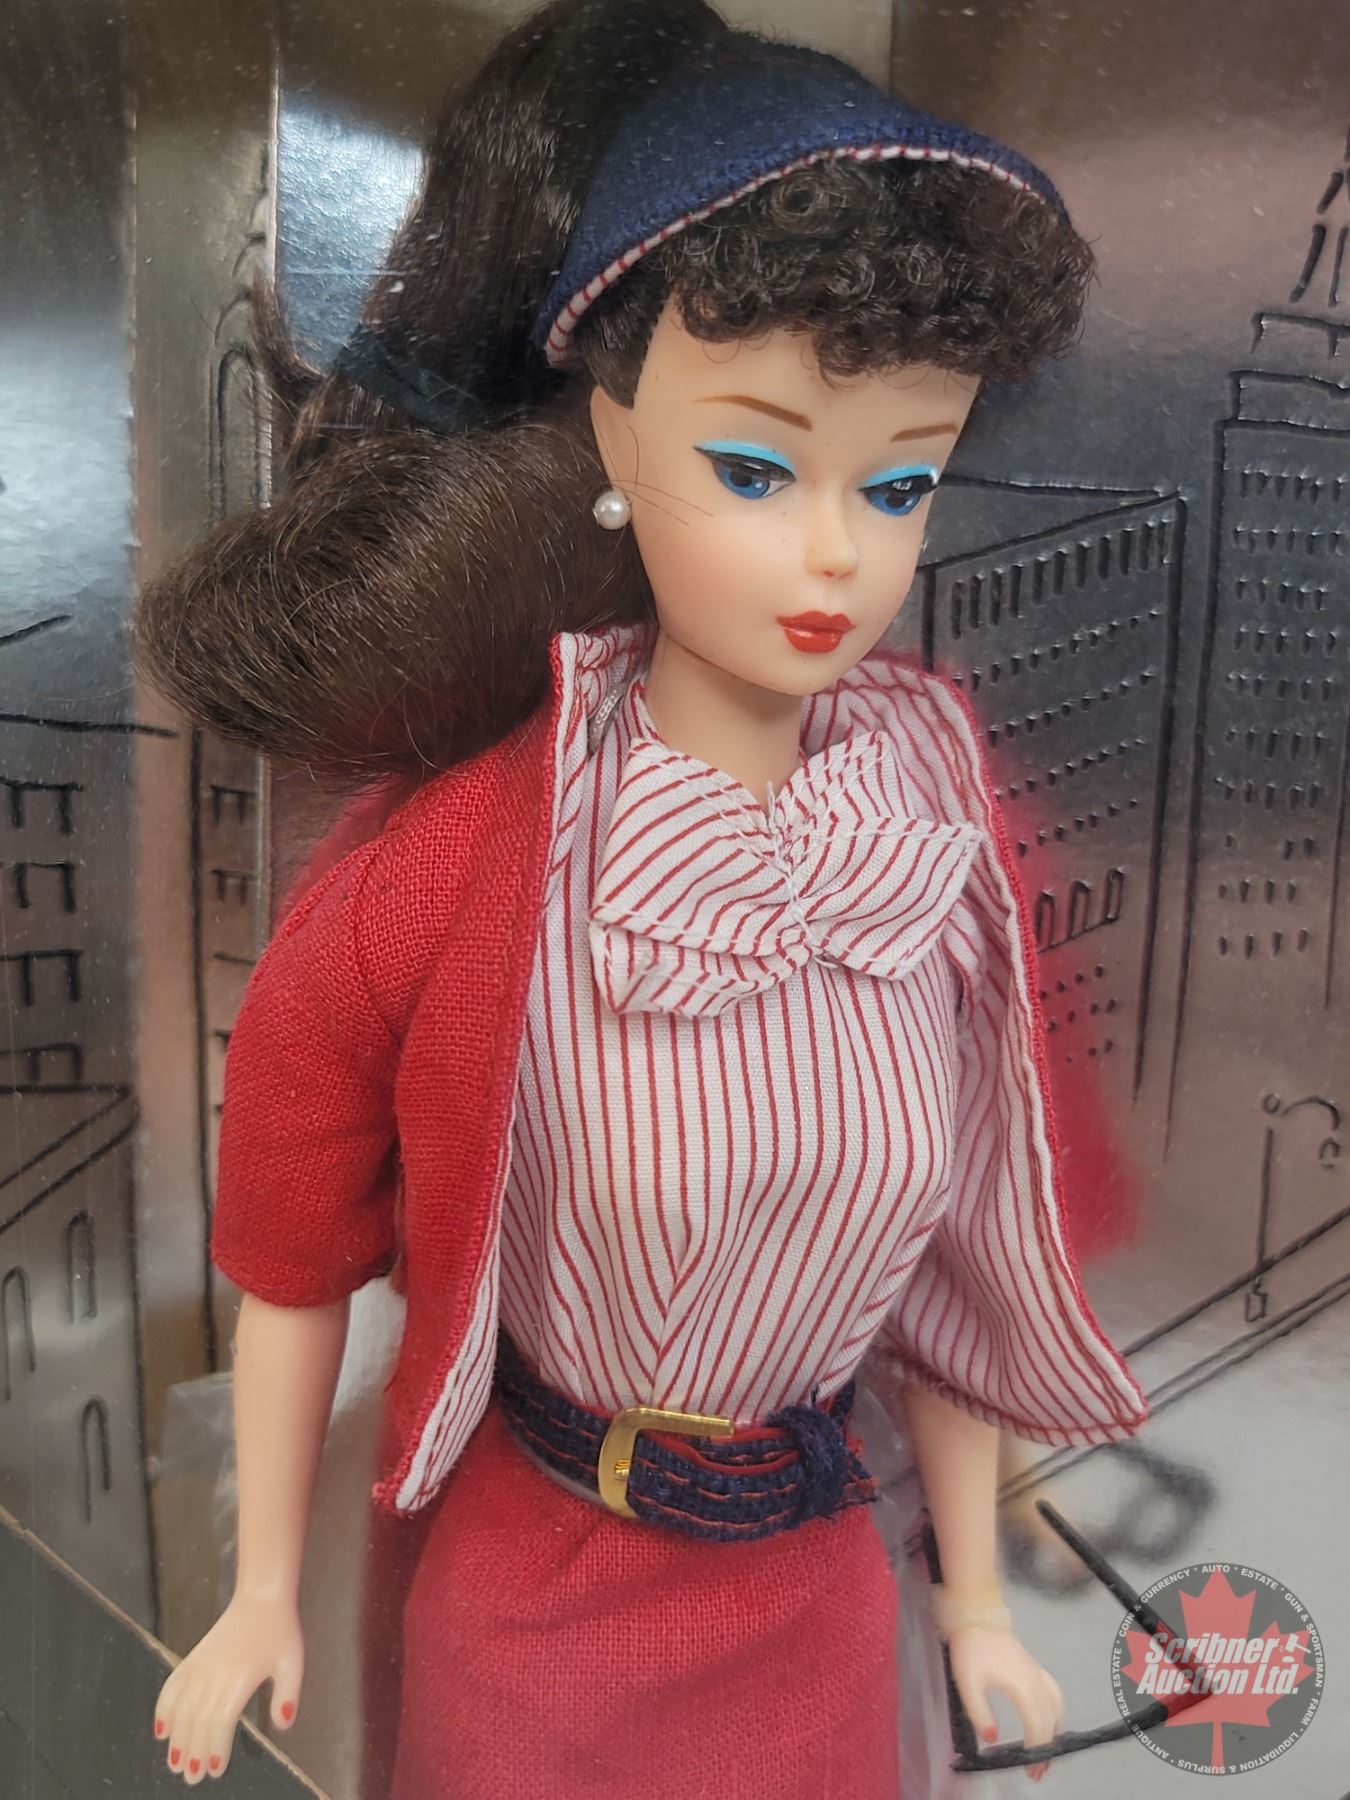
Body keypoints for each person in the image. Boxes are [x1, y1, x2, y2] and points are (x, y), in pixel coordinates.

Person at [135, 2, 1148, 1793]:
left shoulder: (932, 829)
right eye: (754, 468)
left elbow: (970, 1262)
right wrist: (258, 1593)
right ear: (607, 436)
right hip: (537, 1606)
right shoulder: (462, 858)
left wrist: (976, 1604)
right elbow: (291, 1259)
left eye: (896, 482)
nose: (834, 551)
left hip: (814, 1600)